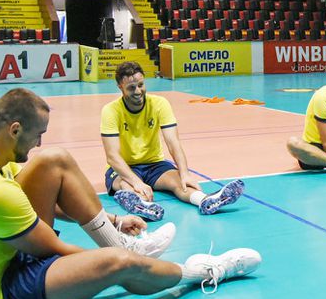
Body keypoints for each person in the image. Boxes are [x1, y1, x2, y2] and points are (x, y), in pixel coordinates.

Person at [0, 88, 261, 299]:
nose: (40, 142)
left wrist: (112, 219)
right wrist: (119, 264)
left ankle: (118, 239)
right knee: (119, 263)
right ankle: (200, 271)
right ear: (15, 129)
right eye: (38, 134)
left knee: (54, 161)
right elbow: (53, 249)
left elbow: (29, 201)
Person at [101, 61, 244, 221]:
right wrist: (136, 182)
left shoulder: (159, 104)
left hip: (154, 164)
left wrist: (185, 173)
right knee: (126, 185)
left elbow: (173, 143)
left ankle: (204, 200)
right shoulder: (111, 111)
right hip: (125, 167)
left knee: (180, 181)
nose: (138, 91)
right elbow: (112, 156)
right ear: (120, 86)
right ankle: (143, 206)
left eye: (141, 85)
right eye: (131, 88)